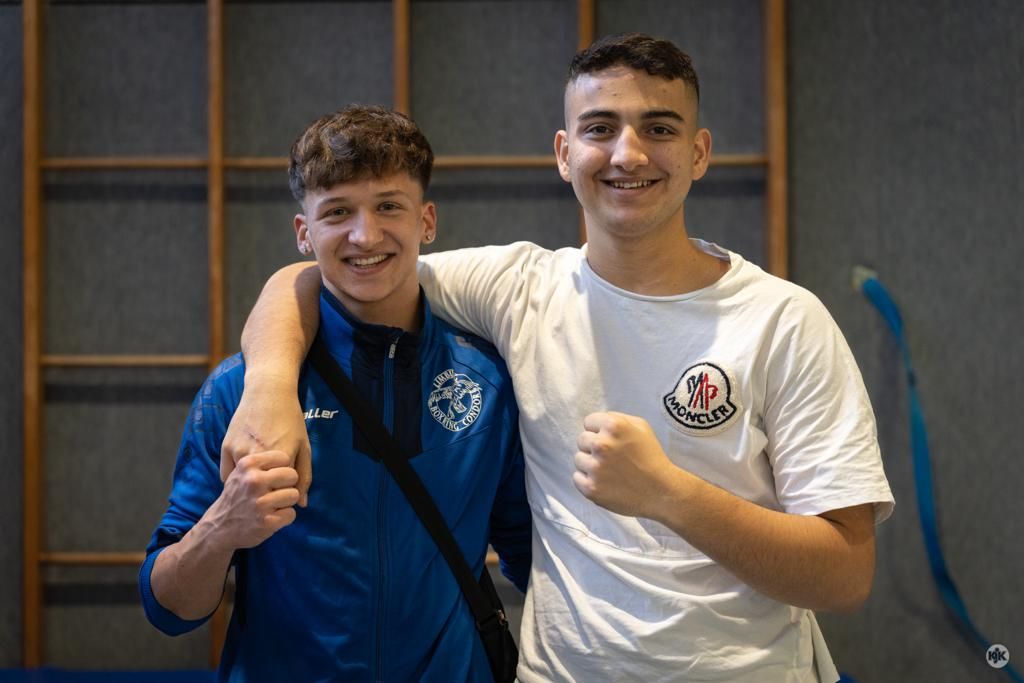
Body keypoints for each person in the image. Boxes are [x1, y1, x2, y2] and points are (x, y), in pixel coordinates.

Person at [222, 34, 895, 682]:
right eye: (601, 128)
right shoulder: (519, 289)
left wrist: (669, 493)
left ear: (698, 153)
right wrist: (270, 389)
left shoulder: (783, 320)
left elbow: (844, 575)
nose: (628, 153)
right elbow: (315, 275)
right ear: (565, 153)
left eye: (659, 128)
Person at [139, 105, 532, 682]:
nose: (364, 235)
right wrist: (223, 527)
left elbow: (535, 561)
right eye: (338, 212)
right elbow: (169, 609)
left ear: (426, 221)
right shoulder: (239, 391)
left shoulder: (489, 383)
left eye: (388, 206)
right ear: (305, 233)